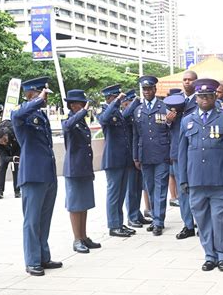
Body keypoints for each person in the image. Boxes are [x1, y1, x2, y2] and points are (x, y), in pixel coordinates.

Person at [178, 78, 223, 272]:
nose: (204, 99)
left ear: (215, 96)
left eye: (208, 95)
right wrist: (182, 178)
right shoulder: (187, 121)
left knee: (219, 219)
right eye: (200, 96)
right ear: (196, 98)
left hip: (220, 179)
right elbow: (181, 153)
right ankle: (209, 255)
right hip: (196, 180)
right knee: (202, 221)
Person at [11, 77, 62, 276]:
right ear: (30, 93)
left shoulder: (41, 116)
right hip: (32, 175)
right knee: (32, 221)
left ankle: (43, 256)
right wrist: (37, 101)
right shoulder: (20, 114)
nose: (45, 97)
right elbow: (16, 117)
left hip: (47, 173)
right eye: (41, 93)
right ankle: (32, 260)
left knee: (44, 219)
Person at [61, 89, 101, 254]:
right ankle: (77, 239)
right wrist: (83, 111)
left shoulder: (82, 121)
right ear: (72, 105)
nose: (83, 106)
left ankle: (84, 236)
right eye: (80, 103)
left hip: (83, 167)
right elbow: (67, 126)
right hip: (74, 169)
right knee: (75, 205)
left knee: (84, 204)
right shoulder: (70, 119)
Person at [133, 75, 171, 236]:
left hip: (162, 154)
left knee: (161, 188)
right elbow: (136, 135)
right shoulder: (138, 110)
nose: (147, 92)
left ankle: (158, 222)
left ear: (155, 89)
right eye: (144, 89)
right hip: (145, 155)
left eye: (149, 89)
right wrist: (136, 156)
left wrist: (170, 121)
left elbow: (171, 131)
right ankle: (156, 217)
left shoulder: (165, 107)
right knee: (150, 188)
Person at [97, 84, 135, 238]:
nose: (120, 99)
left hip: (123, 159)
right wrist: (116, 102)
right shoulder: (104, 112)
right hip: (112, 160)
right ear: (109, 98)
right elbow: (104, 120)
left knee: (120, 193)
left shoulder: (117, 113)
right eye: (116, 97)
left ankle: (119, 223)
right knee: (113, 193)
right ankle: (113, 225)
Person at [168, 71, 198, 239]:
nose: (187, 82)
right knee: (183, 189)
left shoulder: (202, 98)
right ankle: (188, 225)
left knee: (198, 188)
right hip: (178, 151)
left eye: (190, 80)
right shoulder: (174, 100)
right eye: (184, 80)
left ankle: (201, 223)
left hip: (196, 150)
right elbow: (166, 129)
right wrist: (168, 120)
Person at [121, 89, 152, 228]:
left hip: (138, 154)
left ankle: (137, 213)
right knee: (131, 188)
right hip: (128, 157)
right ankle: (131, 216)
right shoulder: (124, 115)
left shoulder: (135, 114)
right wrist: (134, 104)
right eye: (128, 103)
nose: (131, 106)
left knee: (138, 187)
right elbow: (125, 115)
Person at [0, 119, 21, 198]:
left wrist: (17, 157)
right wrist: (11, 158)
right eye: (1, 142)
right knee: (2, 167)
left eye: (4, 141)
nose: (3, 143)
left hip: (16, 148)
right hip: (5, 151)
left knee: (15, 168)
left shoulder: (14, 131)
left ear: (6, 136)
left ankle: (17, 191)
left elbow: (21, 142)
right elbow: (4, 157)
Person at [167, 88, 182, 208]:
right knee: (172, 175)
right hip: (173, 150)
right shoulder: (167, 112)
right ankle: (173, 196)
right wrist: (168, 121)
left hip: (183, 151)